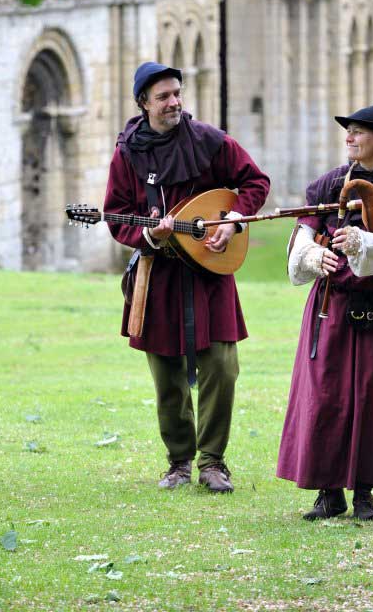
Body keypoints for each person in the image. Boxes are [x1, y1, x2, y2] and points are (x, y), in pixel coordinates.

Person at [104, 62, 270, 493]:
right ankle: (179, 462)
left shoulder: (210, 141)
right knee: (167, 373)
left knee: (222, 367)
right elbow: (115, 214)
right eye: (163, 96)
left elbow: (255, 181)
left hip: (210, 270)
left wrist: (232, 220)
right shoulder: (127, 154)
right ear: (144, 103)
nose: (174, 102)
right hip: (158, 274)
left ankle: (212, 461)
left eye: (177, 93)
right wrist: (149, 235)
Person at [276, 101, 373, 521]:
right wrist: (314, 257)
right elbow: (303, 234)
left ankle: (364, 494)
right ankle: (328, 494)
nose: (349, 137)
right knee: (325, 396)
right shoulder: (328, 184)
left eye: (358, 131)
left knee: (371, 395)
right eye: (348, 131)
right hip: (330, 305)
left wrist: (365, 245)